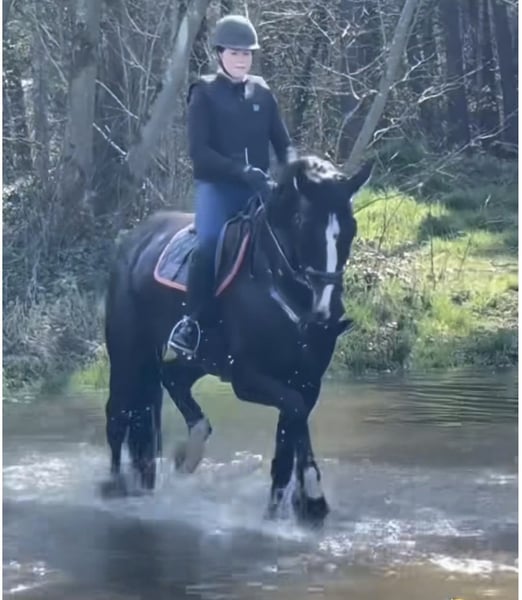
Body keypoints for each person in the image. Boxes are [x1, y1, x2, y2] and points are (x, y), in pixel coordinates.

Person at [168, 14, 295, 355]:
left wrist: (297, 173)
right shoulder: (204, 92)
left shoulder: (263, 93)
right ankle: (192, 324)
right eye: (235, 52)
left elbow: (284, 146)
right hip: (218, 189)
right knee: (209, 242)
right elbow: (199, 153)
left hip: (260, 189)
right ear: (220, 53)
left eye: (247, 53)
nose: (241, 59)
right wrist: (242, 171)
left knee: (295, 233)